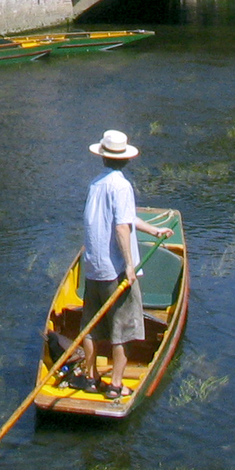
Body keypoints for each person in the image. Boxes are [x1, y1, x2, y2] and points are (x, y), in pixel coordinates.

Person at [74, 130, 172, 401]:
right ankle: (116, 385)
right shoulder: (122, 186)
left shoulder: (96, 184)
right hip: (115, 270)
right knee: (122, 330)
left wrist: (153, 230)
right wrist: (129, 265)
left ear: (104, 158)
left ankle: (90, 378)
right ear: (126, 159)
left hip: (93, 268)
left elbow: (122, 219)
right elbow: (120, 227)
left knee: (91, 326)